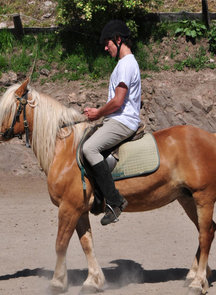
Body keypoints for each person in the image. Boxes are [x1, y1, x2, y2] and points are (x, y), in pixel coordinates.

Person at [83, 20, 141, 226]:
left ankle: (115, 202)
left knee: (89, 148)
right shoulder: (123, 64)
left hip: (123, 121)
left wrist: (98, 112)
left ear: (118, 39)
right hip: (117, 119)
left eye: (107, 43)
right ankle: (98, 196)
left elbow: (117, 101)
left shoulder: (126, 64)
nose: (105, 47)